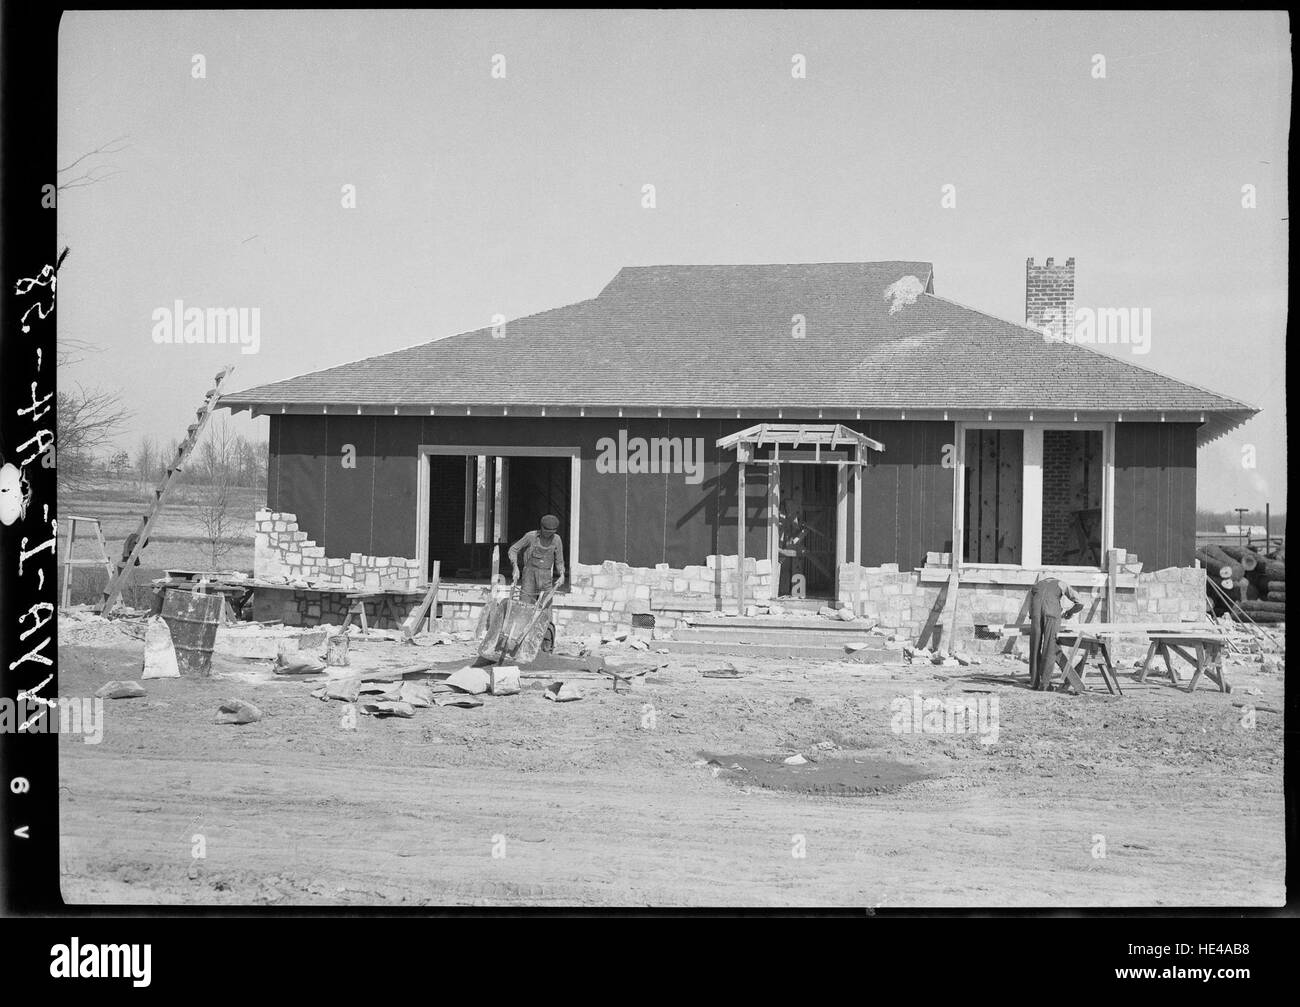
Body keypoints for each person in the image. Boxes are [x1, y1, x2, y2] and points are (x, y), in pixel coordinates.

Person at [508, 514, 565, 653]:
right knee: (525, 608)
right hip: (529, 576)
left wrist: (562, 574)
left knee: (546, 611)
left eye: (553, 533)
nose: (549, 535)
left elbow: (559, 561)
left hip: (546, 578)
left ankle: (546, 645)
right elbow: (513, 549)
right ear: (541, 528)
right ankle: (520, 644)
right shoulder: (530, 536)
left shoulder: (557, 540)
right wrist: (515, 567)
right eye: (547, 532)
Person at [1028, 577, 1084, 691]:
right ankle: (1044, 685)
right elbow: (1080, 603)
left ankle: (1034, 683)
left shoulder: (1036, 585)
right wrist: (1070, 612)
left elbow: (1030, 606)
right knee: (1050, 647)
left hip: (1035, 614)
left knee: (1034, 647)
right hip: (1052, 615)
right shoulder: (1061, 584)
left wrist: (1035, 616)